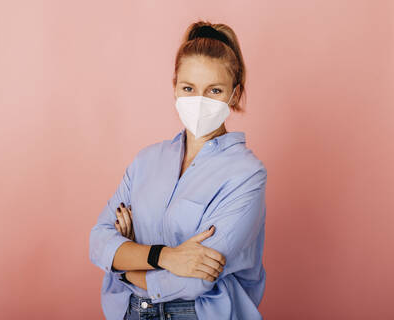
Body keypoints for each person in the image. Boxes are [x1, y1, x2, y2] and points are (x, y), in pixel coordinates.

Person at [89, 20, 267, 320]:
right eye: (189, 88)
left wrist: (126, 265)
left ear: (234, 95)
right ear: (174, 88)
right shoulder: (146, 161)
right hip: (131, 312)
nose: (199, 101)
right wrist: (166, 256)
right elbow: (98, 242)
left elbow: (198, 278)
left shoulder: (247, 174)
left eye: (214, 90)